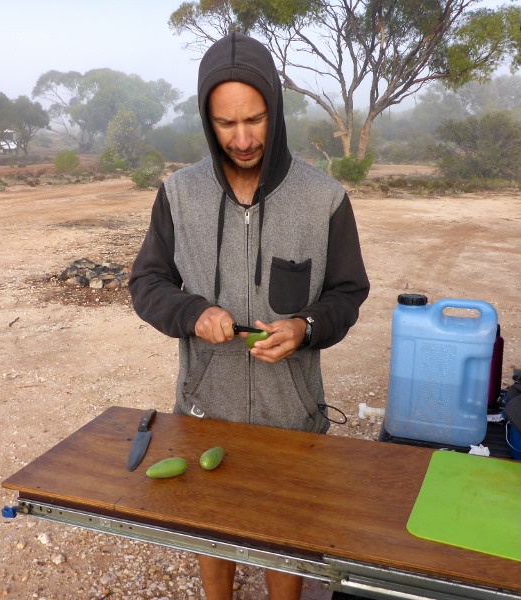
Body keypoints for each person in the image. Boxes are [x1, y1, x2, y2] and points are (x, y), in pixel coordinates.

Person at [129, 32, 370, 600]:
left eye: (255, 120)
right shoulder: (178, 194)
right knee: (212, 536)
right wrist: (191, 312)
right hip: (205, 408)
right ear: (207, 120)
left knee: (281, 539)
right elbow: (146, 283)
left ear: (276, 111)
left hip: (291, 418)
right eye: (225, 124)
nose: (241, 139)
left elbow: (347, 291)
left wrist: (305, 327)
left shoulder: (324, 198)